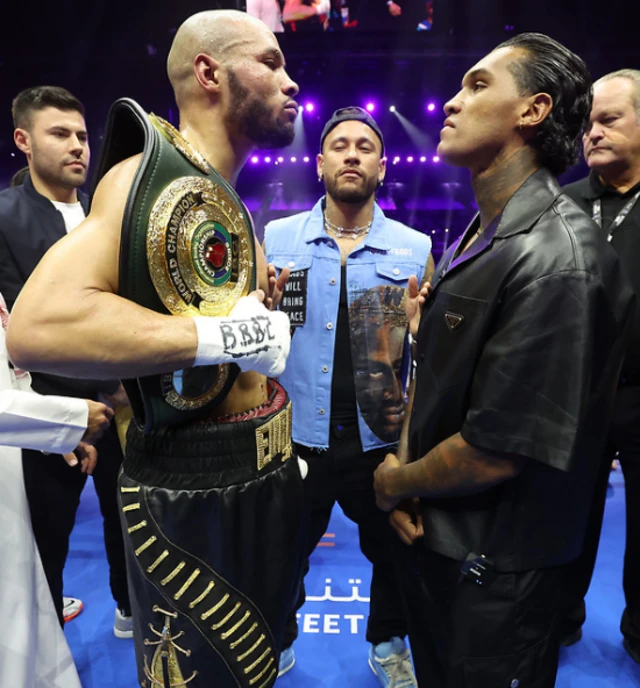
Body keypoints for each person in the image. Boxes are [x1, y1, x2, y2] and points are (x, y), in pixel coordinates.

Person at [7, 10, 305, 688]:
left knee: (253, 669)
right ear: (209, 73)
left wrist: (252, 330)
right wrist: (217, 336)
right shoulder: (143, 180)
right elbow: (38, 326)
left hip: (253, 476)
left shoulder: (215, 192)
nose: (289, 83)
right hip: (186, 495)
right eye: (270, 62)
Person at [372, 33, 635, 687]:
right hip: (449, 548)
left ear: (533, 110)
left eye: (478, 85)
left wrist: (394, 483)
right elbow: (439, 378)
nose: (451, 104)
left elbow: (496, 448)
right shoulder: (482, 228)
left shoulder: (557, 257)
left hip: (497, 575)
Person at [264, 105, 432, 685]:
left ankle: (388, 643)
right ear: (319, 162)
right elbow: (259, 342)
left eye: (364, 146)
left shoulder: (414, 247)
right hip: (295, 438)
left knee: (396, 556)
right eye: (339, 145)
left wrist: (421, 329)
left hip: (377, 441)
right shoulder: (277, 239)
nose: (352, 154)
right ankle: (277, 642)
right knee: (282, 556)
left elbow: (427, 355)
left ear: (382, 167)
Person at [0, 85, 132, 634]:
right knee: (45, 543)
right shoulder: (4, 217)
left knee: (130, 528)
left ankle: (134, 612)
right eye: (60, 134)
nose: (78, 145)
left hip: (127, 407)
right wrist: (54, 417)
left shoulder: (114, 214)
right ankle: (45, 643)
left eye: (81, 134)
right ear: (23, 141)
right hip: (48, 419)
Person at [560, 69, 640, 663]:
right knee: (564, 519)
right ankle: (557, 620)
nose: (592, 133)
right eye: (587, 124)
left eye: (608, 119)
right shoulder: (560, 205)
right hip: (571, 397)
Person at [0, 291, 113, 688]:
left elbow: (13, 378)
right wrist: (69, 417)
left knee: (24, 603)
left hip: (9, 481)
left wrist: (58, 435)